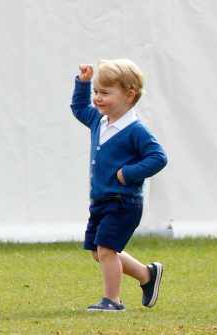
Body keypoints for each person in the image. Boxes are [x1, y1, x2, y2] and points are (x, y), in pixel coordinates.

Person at [71, 59, 168, 312]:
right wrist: (83, 84)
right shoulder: (99, 120)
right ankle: (147, 275)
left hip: (124, 202)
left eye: (104, 93)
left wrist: (129, 173)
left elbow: (158, 158)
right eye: (96, 92)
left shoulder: (136, 130)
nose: (97, 98)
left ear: (129, 95)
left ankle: (112, 301)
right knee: (98, 251)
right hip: (102, 201)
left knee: (106, 250)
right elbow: (80, 107)